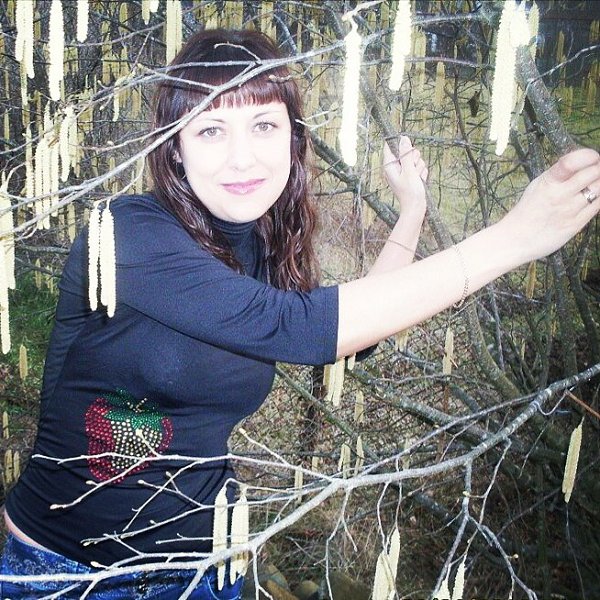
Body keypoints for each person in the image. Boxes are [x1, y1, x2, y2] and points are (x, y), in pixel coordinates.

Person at [1, 27, 599, 599]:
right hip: (67, 573)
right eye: (211, 130)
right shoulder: (125, 233)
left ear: (292, 138)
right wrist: (513, 240)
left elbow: (350, 333)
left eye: (264, 124)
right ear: (176, 148)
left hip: (203, 566)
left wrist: (412, 210)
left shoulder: (260, 245)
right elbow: (302, 328)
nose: (241, 158)